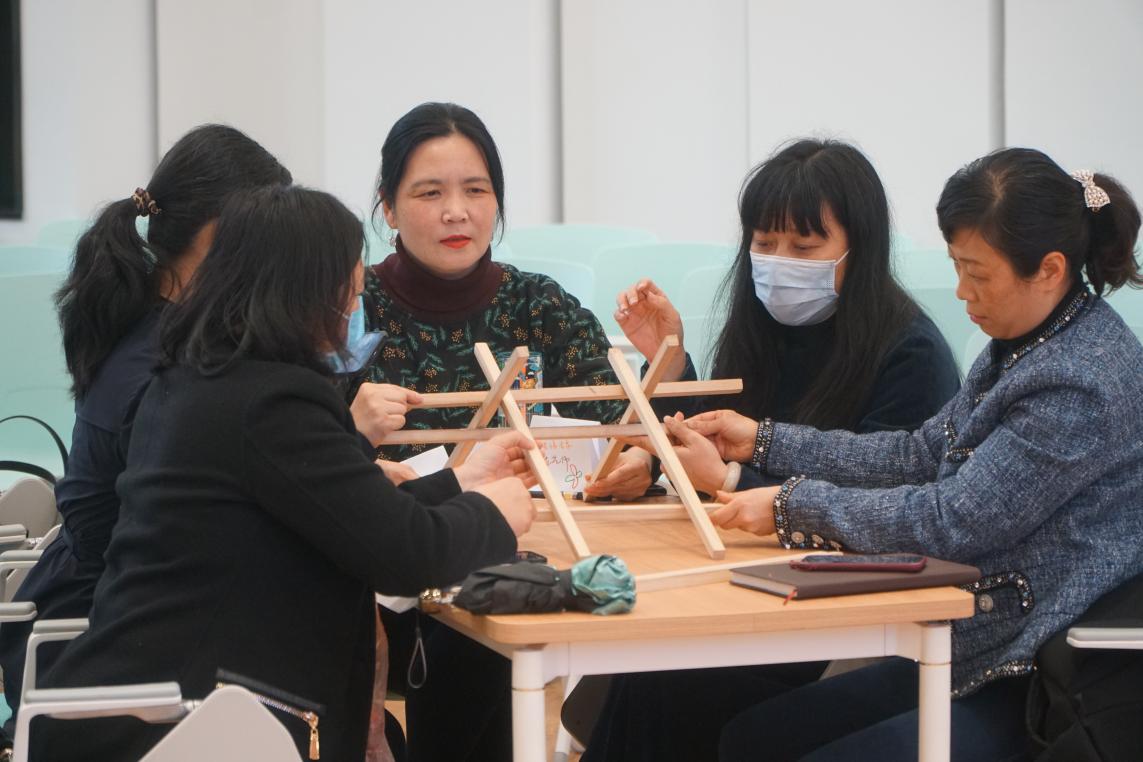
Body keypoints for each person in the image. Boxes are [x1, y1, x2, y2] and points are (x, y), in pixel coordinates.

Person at [31, 185, 539, 762]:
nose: (354, 312)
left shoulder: (203, 376)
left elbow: (334, 514)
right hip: (183, 729)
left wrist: (460, 484)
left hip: (142, 708)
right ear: (307, 294)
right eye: (351, 295)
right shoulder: (271, 402)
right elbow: (405, 555)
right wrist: (494, 514)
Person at [669, 148, 1143, 761]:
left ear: (1049, 269)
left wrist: (790, 506)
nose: (962, 291)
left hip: (1032, 672)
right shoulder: (1028, 341)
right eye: (957, 266)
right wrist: (764, 439)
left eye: (977, 273)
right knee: (752, 737)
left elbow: (952, 521)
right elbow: (919, 453)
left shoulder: (1079, 381)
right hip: (982, 636)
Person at [580, 139, 962, 762]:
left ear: (860, 248)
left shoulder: (909, 354)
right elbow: (719, 436)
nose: (780, 263)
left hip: (842, 615)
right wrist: (667, 377)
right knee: (643, 666)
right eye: (764, 243)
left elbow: (886, 508)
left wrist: (729, 479)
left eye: (804, 248)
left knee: (663, 683)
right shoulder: (760, 327)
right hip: (749, 582)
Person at [357, 101, 653, 761]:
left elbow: (626, 423)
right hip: (392, 575)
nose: (456, 212)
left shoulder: (537, 304)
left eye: (476, 190)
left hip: (533, 553)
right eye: (429, 193)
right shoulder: (353, 309)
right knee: (471, 631)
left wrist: (641, 460)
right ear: (388, 207)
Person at [0, 125, 293, 730]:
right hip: (107, 645)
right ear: (217, 235)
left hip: (103, 614)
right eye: (270, 235)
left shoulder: (157, 328)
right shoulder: (164, 368)